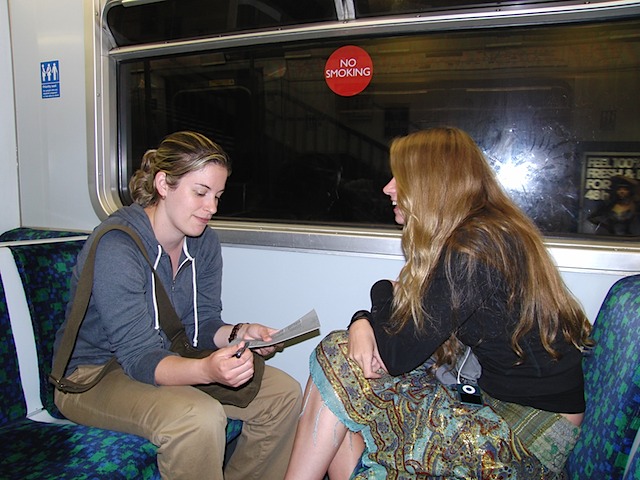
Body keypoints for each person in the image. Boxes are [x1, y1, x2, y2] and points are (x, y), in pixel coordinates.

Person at [284, 127, 592, 480]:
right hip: (506, 404)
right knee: (345, 400)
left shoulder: (475, 248)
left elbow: (397, 355)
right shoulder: (485, 232)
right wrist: (368, 317)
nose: (388, 187)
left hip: (528, 435)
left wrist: (368, 310)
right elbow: (408, 332)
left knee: (339, 357)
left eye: (400, 177)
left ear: (432, 183)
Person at [53, 131, 302, 480]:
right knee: (198, 419)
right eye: (200, 193)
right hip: (94, 376)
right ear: (163, 184)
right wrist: (207, 372)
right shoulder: (117, 248)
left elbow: (201, 326)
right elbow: (139, 358)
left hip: (166, 356)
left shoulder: (203, 244)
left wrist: (241, 333)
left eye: (217, 196)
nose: (211, 208)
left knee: (285, 395)